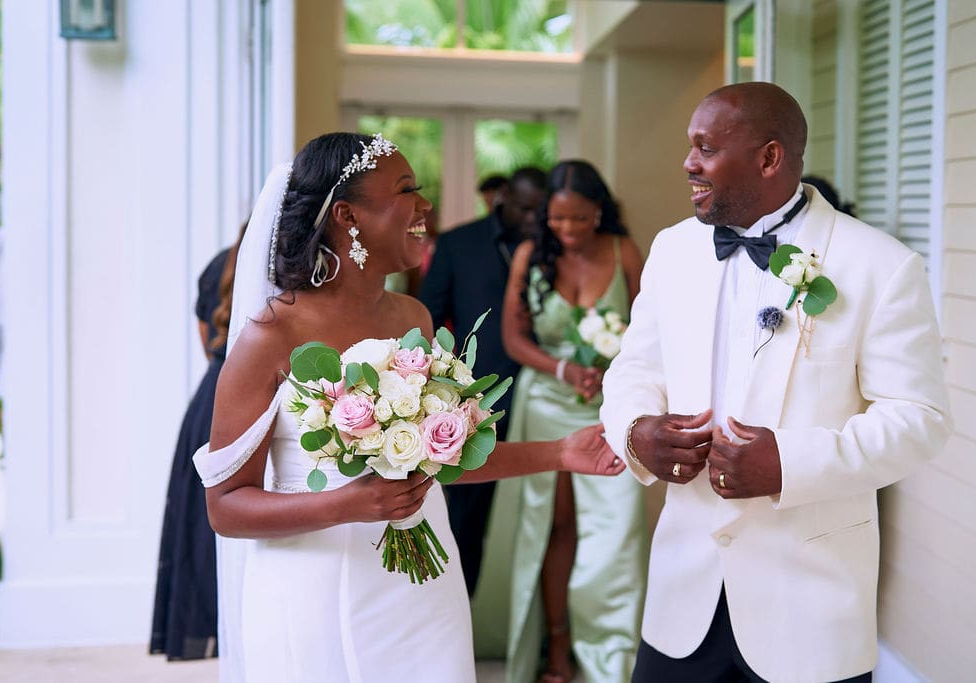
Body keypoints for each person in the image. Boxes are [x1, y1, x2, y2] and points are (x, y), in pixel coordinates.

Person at [193, 133, 625, 682]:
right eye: (406, 190)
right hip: (320, 589)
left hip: (423, 585)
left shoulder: (413, 318)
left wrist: (562, 451)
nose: (426, 207)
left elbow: (444, 457)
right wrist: (348, 504)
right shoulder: (273, 335)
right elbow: (225, 507)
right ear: (347, 215)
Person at [600, 82, 952, 683]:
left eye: (706, 148)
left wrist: (788, 463)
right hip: (680, 607)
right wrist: (636, 431)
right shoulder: (672, 250)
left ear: (769, 158)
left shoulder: (881, 265)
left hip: (810, 612)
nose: (689, 163)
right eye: (692, 147)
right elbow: (635, 368)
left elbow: (919, 418)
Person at [501, 160, 647, 683]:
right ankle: (556, 648)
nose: (569, 231)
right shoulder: (530, 256)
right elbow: (513, 338)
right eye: (559, 220)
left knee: (614, 532)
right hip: (545, 403)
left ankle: (609, 653)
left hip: (609, 407)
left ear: (599, 212)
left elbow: (649, 330)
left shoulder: (624, 251)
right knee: (554, 528)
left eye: (580, 220)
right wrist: (564, 368)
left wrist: (612, 372)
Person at [419, 166, 547, 596]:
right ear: (503, 197)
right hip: (478, 398)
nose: (533, 219)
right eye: (525, 209)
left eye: (539, 211)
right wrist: (450, 385)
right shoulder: (459, 244)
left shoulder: (555, 246)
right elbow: (429, 317)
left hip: (547, 397)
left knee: (541, 511)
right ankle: (460, 605)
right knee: (469, 516)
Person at [150, 224, 244, 661]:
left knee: (203, 529)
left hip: (212, 398)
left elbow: (209, 345)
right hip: (243, 401)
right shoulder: (296, 268)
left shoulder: (218, 266)